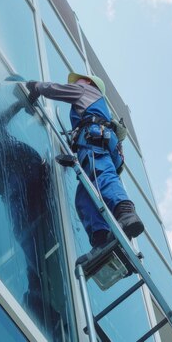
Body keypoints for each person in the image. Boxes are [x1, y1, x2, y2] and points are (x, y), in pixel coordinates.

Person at [26, 73, 145, 260]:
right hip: (91, 146)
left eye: (78, 80)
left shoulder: (87, 90)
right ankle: (101, 240)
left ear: (89, 82)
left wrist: (37, 87)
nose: (74, 83)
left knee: (102, 176)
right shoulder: (90, 109)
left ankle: (126, 213)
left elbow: (58, 90)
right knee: (84, 198)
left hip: (94, 145)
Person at [0, 95, 64, 337]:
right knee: (38, 266)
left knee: (38, 267)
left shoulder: (6, 153)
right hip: (32, 215)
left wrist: (19, 104)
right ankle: (43, 315)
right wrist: (19, 104)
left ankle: (42, 313)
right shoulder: (4, 161)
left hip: (37, 211)